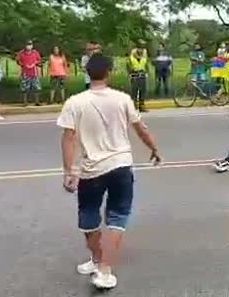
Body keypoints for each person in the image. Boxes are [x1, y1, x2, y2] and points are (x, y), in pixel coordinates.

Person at [57, 53, 161, 290]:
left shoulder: (75, 102)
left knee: (89, 216)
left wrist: (69, 171)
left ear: (87, 73)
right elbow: (141, 128)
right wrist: (154, 148)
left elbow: (68, 138)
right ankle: (102, 267)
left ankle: (99, 262)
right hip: (121, 166)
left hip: (91, 169)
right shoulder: (122, 99)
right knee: (116, 216)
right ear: (109, 72)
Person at [16, 40, 42, 106]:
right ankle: (25, 102)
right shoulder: (21, 53)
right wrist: (24, 65)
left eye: (30, 44)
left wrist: (34, 63)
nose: (29, 46)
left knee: (36, 87)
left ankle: (37, 101)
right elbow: (18, 61)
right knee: (24, 88)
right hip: (25, 72)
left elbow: (39, 60)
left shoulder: (35, 52)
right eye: (28, 45)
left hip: (34, 72)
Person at [128, 43, 149, 112]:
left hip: (142, 75)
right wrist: (131, 71)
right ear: (136, 49)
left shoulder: (144, 56)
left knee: (142, 92)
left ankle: (142, 107)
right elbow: (128, 65)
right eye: (139, 49)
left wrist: (147, 72)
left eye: (142, 49)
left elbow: (146, 64)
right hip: (134, 75)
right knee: (134, 91)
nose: (141, 51)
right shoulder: (132, 56)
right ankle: (133, 106)